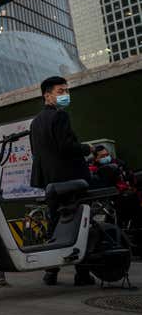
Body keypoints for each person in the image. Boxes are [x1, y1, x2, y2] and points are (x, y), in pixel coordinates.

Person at [30, 76, 95, 286]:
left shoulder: (35, 122)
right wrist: (88, 149)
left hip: (50, 183)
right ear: (47, 95)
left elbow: (36, 153)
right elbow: (67, 147)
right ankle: (82, 273)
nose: (65, 95)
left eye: (67, 91)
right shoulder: (60, 117)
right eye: (60, 91)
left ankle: (51, 272)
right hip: (71, 179)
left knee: (55, 225)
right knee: (81, 224)